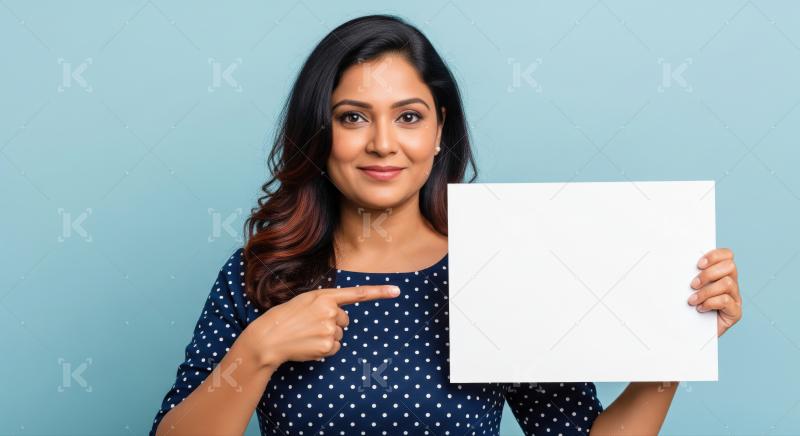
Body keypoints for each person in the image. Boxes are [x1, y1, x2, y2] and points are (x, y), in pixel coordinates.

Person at [150, 14, 743, 436]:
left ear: (438, 133)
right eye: (353, 117)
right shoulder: (261, 275)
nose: (383, 144)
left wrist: (674, 350)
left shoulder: (498, 270)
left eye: (408, 117)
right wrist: (257, 350)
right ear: (319, 133)